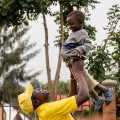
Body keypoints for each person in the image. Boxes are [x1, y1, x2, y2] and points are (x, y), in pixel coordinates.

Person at [60, 10, 113, 111]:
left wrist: (79, 49)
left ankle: (105, 91)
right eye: (68, 24)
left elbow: (88, 44)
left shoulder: (81, 32)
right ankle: (98, 98)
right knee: (85, 81)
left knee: (84, 81)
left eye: (72, 23)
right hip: (71, 62)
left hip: (76, 61)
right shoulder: (75, 33)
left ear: (80, 21)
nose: (70, 26)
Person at [18, 60, 90, 120]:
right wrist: (78, 71)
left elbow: (72, 99)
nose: (37, 89)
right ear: (36, 101)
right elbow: (84, 96)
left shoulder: (45, 111)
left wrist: (72, 75)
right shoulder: (51, 109)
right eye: (35, 92)